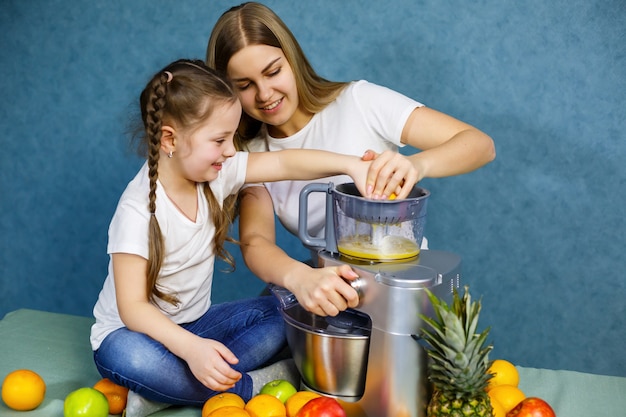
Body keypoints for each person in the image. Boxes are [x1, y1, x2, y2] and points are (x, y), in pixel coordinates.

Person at [89, 59, 401, 417]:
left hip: (200, 326)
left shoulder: (217, 173)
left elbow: (285, 164)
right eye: (220, 140)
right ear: (170, 139)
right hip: (134, 335)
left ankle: (170, 390)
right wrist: (192, 350)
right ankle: (253, 385)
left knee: (291, 303)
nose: (230, 151)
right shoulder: (137, 211)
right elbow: (133, 309)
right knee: (128, 358)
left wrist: (352, 165)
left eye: (232, 138)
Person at [206, 2, 496, 317]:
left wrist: (417, 164)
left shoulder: (358, 102)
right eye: (245, 86)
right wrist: (302, 279)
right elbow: (256, 242)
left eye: (273, 71)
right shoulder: (250, 152)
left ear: (293, 59)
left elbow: (480, 145)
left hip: (398, 289)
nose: (264, 94)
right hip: (329, 289)